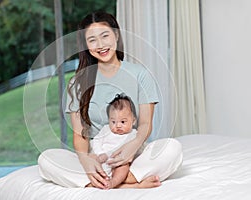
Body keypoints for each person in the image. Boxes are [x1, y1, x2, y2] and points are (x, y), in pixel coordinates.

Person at [38, 11, 183, 190]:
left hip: (133, 155)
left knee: (172, 149)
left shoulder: (140, 75)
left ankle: (107, 183)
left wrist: (132, 148)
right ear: (85, 45)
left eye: (104, 36)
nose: (100, 45)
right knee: (46, 159)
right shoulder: (78, 82)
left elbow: (145, 124)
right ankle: (129, 185)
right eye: (92, 40)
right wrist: (85, 160)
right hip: (97, 160)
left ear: (115, 35)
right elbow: (79, 134)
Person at [90, 93, 140, 189]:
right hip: (102, 160)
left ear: (133, 121)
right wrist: (99, 153)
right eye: (113, 122)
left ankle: (113, 182)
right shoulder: (106, 129)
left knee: (123, 168)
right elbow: (96, 141)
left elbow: (136, 149)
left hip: (119, 163)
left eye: (123, 122)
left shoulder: (134, 134)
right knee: (90, 160)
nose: (118, 125)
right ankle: (99, 180)